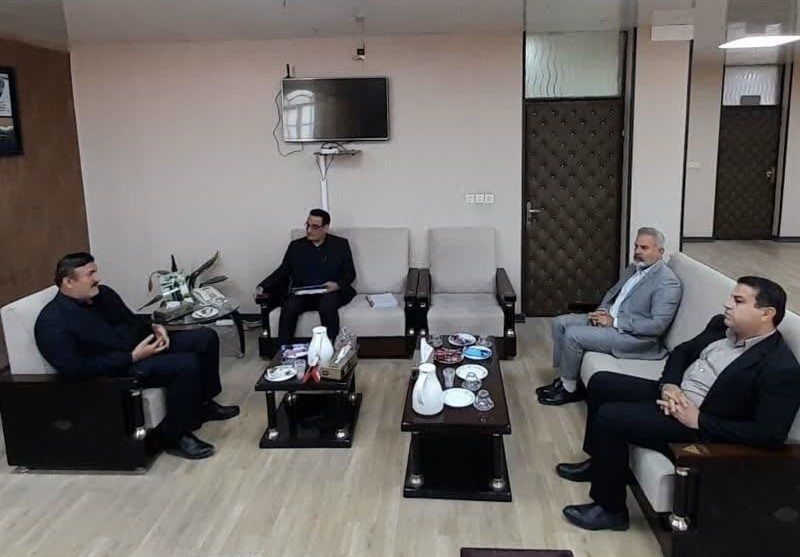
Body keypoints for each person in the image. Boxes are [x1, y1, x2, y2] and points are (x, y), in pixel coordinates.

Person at [556, 276, 800, 531]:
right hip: (676, 393)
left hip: (699, 426)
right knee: (601, 382)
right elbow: (682, 352)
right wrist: (669, 385)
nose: (727, 304)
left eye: (738, 301)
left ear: (766, 313)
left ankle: (610, 510)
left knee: (611, 417)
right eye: (731, 297)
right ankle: (599, 464)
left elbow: (769, 433)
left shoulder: (779, 367)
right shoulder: (720, 326)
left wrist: (700, 420)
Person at [34, 253, 239, 460]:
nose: (97, 278)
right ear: (68, 282)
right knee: (187, 364)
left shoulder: (104, 294)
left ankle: (203, 405)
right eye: (90, 274)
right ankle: (176, 435)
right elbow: (76, 368)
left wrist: (154, 327)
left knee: (205, 338)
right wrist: (132, 357)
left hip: (141, 348)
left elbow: (130, 321)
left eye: (95, 272)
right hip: (117, 370)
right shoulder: (52, 321)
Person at [538, 227, 683, 405]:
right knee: (560, 323)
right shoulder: (634, 268)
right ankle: (565, 378)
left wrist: (614, 322)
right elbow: (613, 294)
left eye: (644, 248)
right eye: (636, 246)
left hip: (635, 338)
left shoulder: (667, 282)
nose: (637, 251)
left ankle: (569, 390)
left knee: (573, 335)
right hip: (609, 319)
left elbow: (657, 325)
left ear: (660, 252)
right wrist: (602, 310)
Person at [257, 208, 356, 345]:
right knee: (289, 306)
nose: (309, 230)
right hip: (304, 292)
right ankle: (284, 351)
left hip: (331, 292)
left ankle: (330, 349)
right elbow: (283, 271)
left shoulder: (340, 245)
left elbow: (350, 273)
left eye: (314, 227)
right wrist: (263, 286)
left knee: (327, 305)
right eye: (307, 225)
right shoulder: (296, 246)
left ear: (325, 228)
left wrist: (337, 285)